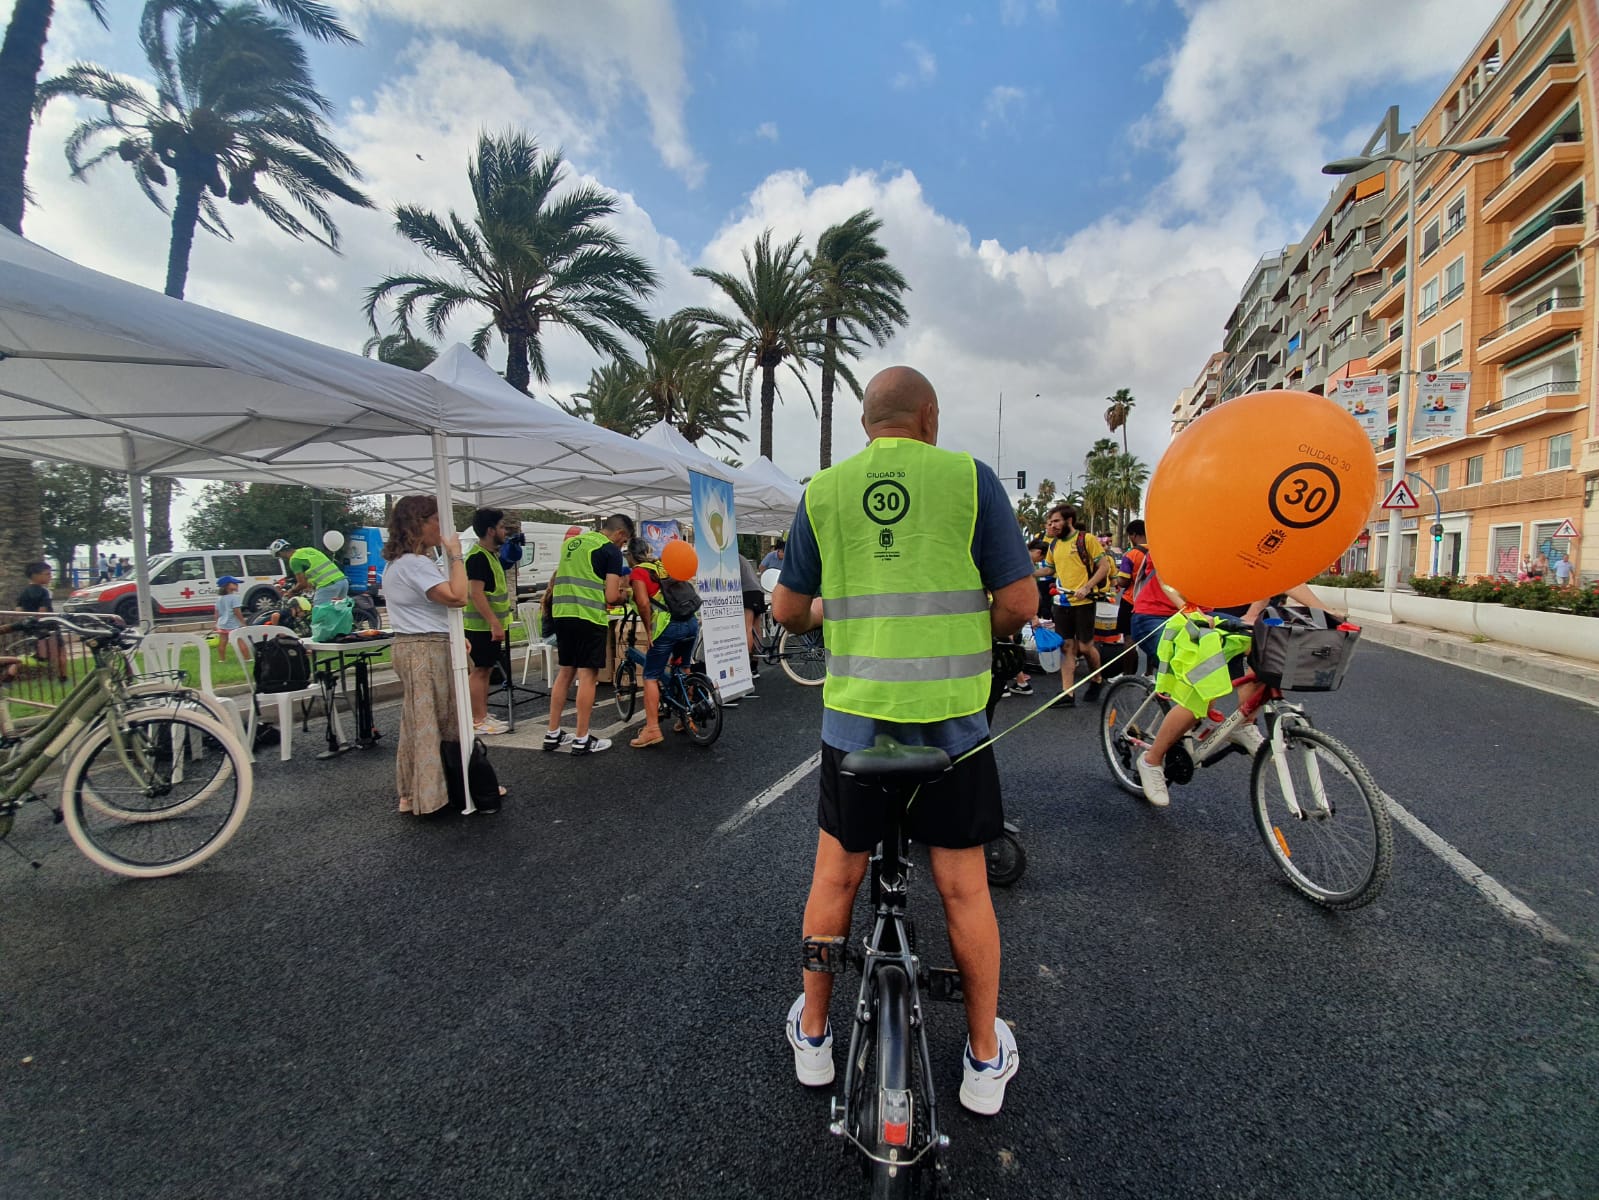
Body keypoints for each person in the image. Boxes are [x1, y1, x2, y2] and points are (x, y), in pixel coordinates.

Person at [773, 365, 1034, 1116]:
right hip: (953, 725)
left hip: (855, 725)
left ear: (866, 425)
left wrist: (830, 616)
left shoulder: (824, 491)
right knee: (963, 888)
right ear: (929, 416)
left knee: (834, 882)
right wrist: (975, 625)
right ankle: (982, 1058)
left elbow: (787, 609)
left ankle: (814, 1037)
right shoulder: (970, 479)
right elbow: (1020, 602)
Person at [1134, 584, 1343, 808]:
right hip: (1157, 617)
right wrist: (1191, 610)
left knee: (1266, 648)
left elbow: (1279, 578)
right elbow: (1167, 580)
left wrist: (1324, 612)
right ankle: (1151, 760)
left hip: (1204, 615)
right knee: (1202, 686)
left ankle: (1244, 724)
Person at [380, 495, 499, 816]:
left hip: (415, 645)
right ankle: (439, 792)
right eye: (437, 521)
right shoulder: (414, 564)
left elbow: (428, 608)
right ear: (419, 524)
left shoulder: (398, 563)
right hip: (426, 651)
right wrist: (456, 555)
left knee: (420, 721)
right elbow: (458, 597)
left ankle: (416, 792)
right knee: (440, 722)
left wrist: (453, 635)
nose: (443, 529)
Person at [544, 514, 632, 755]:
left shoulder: (572, 543)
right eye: (624, 541)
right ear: (620, 534)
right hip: (588, 616)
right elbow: (611, 596)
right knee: (587, 676)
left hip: (562, 614)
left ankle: (552, 733)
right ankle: (582, 738)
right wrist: (624, 595)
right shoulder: (610, 551)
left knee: (565, 672)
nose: (622, 546)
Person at [624, 538, 703, 748]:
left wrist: (649, 629)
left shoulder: (639, 572)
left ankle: (652, 729)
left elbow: (643, 603)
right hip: (690, 621)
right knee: (683, 666)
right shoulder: (663, 565)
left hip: (669, 626)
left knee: (650, 676)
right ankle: (686, 717)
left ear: (630, 555)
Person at [1040, 503, 1112, 704]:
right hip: (1062, 602)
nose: (1052, 525)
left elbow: (1104, 566)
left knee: (1085, 647)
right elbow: (1049, 569)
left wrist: (1087, 587)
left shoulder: (1086, 539)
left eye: (1056, 521)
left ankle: (1097, 679)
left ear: (1069, 520)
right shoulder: (1054, 544)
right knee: (1066, 646)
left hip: (1084, 602)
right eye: (1050, 522)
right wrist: (1027, 573)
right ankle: (1067, 693)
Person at [463, 507, 511, 737]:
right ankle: (477, 718)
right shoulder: (478, 557)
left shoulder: (490, 555)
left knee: (486, 669)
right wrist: (494, 622)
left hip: (486, 626)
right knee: (480, 670)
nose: (505, 531)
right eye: (501, 527)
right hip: (480, 626)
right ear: (491, 530)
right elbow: (476, 593)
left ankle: (481, 713)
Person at [16, 561, 67, 680]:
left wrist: (27, 622)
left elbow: (18, 610)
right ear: (36, 575)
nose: (50, 576)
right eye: (47, 574)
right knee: (60, 652)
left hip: (32, 627)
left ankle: (13, 670)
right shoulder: (44, 592)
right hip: (48, 626)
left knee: (40, 654)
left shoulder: (24, 592)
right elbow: (42, 611)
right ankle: (63, 677)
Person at [271, 537, 349, 604]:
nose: (281, 558)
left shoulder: (294, 560)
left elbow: (302, 583)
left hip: (328, 585)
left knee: (319, 612)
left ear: (281, 552)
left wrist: (290, 592)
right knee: (340, 611)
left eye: (279, 555)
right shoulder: (308, 550)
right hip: (342, 581)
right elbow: (316, 569)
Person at [739, 552, 765, 689]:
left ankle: (746, 668)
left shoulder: (732, 558)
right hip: (758, 591)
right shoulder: (742, 558)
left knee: (747, 629)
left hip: (747, 592)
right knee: (756, 629)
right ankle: (755, 668)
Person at [214, 575, 244, 662]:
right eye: (235, 583)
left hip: (222, 624)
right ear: (228, 586)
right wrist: (242, 622)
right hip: (234, 624)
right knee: (240, 640)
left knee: (223, 642)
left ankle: (222, 659)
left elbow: (216, 612)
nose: (237, 585)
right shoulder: (234, 598)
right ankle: (247, 658)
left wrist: (215, 623)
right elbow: (237, 612)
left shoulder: (219, 598)